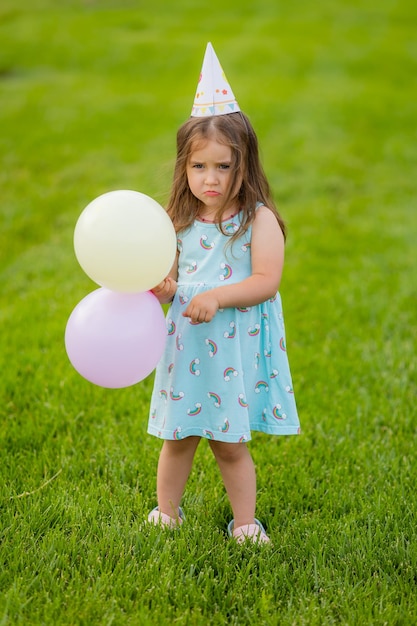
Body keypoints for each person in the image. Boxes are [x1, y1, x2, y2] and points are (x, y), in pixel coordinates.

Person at [147, 43, 300, 544]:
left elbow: (265, 282)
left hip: (230, 348)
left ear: (244, 165)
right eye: (198, 168)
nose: (209, 180)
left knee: (228, 443)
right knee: (179, 437)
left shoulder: (258, 221)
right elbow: (170, 283)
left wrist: (217, 296)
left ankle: (245, 523)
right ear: (183, 167)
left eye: (222, 167)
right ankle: (167, 513)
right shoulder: (178, 221)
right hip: (187, 347)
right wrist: (164, 288)